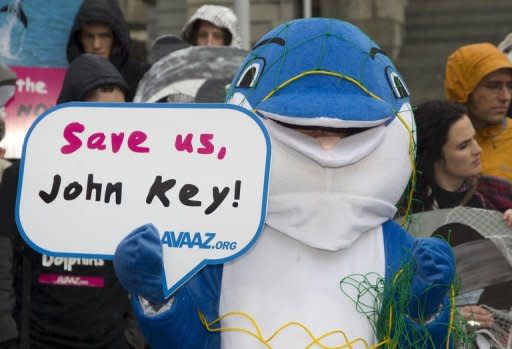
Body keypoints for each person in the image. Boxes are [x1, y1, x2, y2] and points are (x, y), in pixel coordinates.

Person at [114, 18, 455, 348]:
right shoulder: (223, 238)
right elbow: (190, 340)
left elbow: (413, 344)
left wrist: (426, 308)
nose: (325, 145)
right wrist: (157, 295)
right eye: (310, 131)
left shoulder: (395, 248)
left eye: (346, 133)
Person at [0, 54, 143, 349]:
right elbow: (2, 261)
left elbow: (150, 268)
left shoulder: (137, 183)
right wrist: (9, 335)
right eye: (98, 117)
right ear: (68, 115)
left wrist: (133, 338)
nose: (109, 131)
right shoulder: (22, 177)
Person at [411, 99, 512, 336]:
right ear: (435, 153)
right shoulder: (405, 212)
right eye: (463, 145)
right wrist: (446, 316)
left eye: (475, 139)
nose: (478, 149)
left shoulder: (496, 194)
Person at [444, 43, 512, 182]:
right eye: (493, 86)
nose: (505, 97)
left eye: (510, 86)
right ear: (463, 89)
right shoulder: (434, 139)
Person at [66, 0, 149, 99]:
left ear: (116, 39)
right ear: (79, 39)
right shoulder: (73, 80)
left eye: (104, 36)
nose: (96, 45)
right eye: (89, 36)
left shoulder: (140, 77)